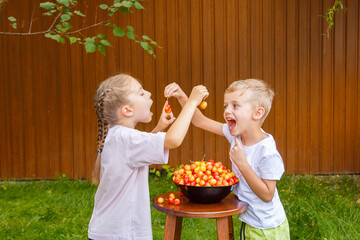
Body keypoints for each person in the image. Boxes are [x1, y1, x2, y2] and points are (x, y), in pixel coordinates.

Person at [88, 73, 209, 240]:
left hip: (109, 231)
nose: (149, 93)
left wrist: (159, 128)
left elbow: (135, 156)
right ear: (127, 110)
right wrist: (192, 102)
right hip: (122, 234)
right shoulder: (126, 138)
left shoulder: (119, 136)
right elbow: (173, 140)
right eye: (141, 92)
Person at [165, 79, 290, 239]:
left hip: (266, 228)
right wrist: (183, 97)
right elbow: (199, 121)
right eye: (226, 106)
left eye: (235, 105)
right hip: (254, 222)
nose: (227, 111)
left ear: (257, 113)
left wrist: (242, 164)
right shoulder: (237, 135)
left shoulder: (267, 152)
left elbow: (267, 195)